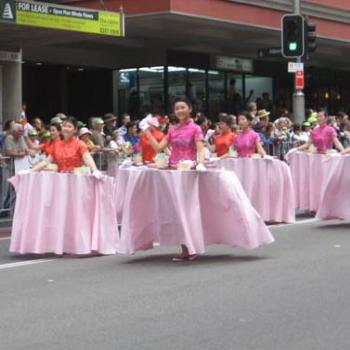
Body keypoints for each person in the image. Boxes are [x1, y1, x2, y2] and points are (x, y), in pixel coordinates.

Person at [142, 96, 205, 261]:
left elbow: (200, 149)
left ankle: (190, 247)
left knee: (186, 209)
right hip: (172, 171)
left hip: (187, 172)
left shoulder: (196, 128)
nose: (180, 111)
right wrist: (147, 131)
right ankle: (186, 248)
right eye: (177, 108)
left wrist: (199, 163)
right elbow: (158, 148)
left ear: (190, 109)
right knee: (175, 210)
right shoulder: (172, 129)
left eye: (183, 107)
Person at [32, 117, 99, 175]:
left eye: (69, 126)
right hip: (61, 179)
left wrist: (95, 170)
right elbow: (46, 161)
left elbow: (87, 158)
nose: (66, 128)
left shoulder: (80, 144)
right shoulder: (57, 144)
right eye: (64, 126)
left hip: (75, 177)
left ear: (75, 130)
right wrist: (30, 171)